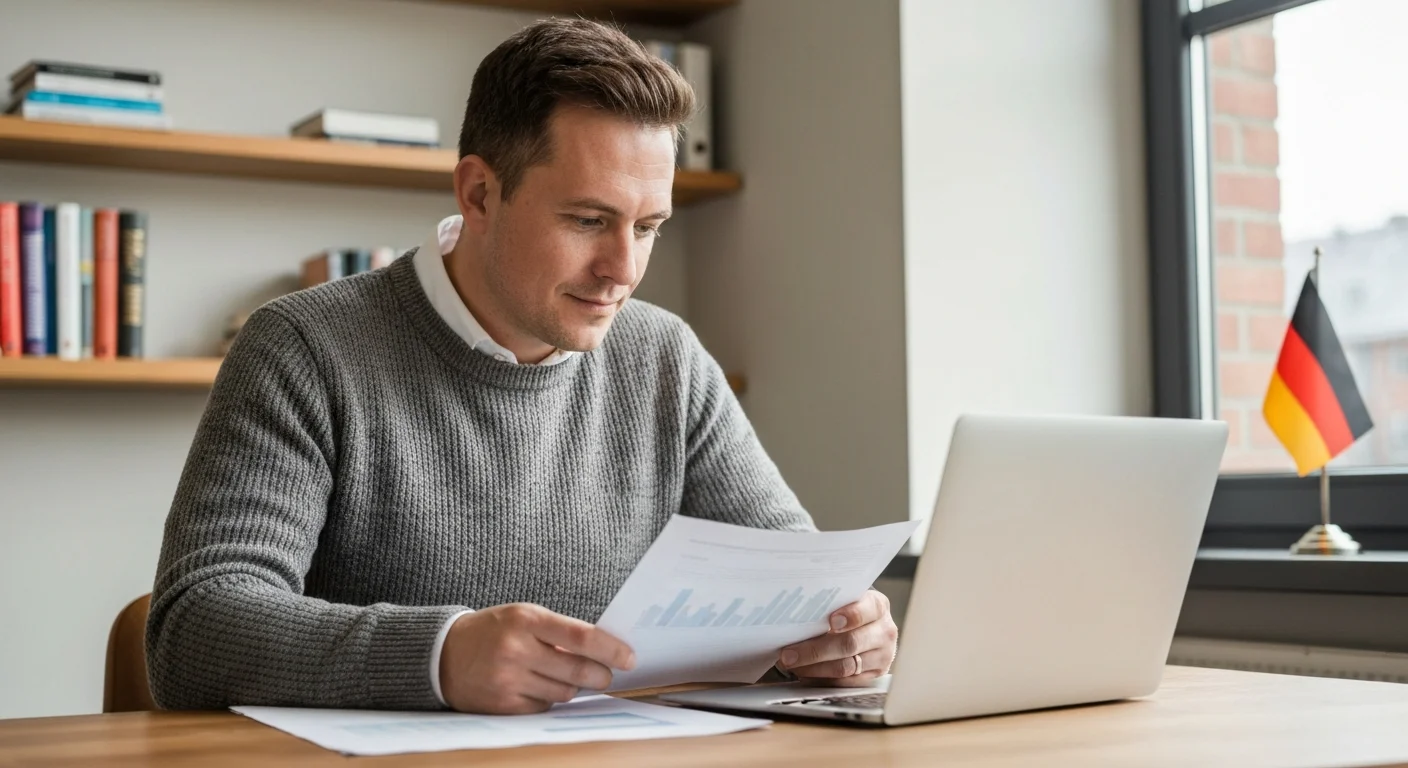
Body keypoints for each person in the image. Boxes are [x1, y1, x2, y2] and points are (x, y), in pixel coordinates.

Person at [146, 17, 897, 715]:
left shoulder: (666, 358)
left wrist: (839, 632)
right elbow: (195, 627)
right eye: (588, 220)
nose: (622, 270)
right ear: (479, 192)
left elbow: (795, 585)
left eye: (648, 227)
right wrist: (439, 656)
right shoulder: (304, 349)